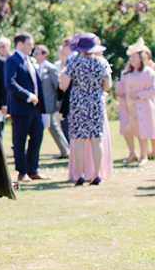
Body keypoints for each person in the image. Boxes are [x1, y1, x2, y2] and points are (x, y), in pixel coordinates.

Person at [60, 34, 113, 185]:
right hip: (96, 103)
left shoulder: (74, 62)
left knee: (79, 140)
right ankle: (96, 175)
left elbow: (64, 85)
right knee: (96, 140)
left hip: (78, 104)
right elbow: (108, 86)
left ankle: (79, 176)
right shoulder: (101, 62)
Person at [5, 31, 46, 182]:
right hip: (21, 107)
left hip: (35, 107)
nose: (32, 47)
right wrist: (28, 96)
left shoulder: (30, 61)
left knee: (37, 136)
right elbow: (10, 83)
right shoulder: (12, 61)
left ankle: (32, 169)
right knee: (20, 140)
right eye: (29, 44)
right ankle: (22, 172)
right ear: (20, 44)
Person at [115, 38, 155, 166]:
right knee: (127, 129)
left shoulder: (148, 72)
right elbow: (121, 88)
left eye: (134, 57)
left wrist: (139, 95)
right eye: (130, 57)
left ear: (141, 58)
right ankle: (133, 153)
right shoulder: (126, 73)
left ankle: (144, 155)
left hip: (142, 106)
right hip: (127, 106)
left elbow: (153, 90)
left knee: (142, 130)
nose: (132, 60)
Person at [33, 44, 69, 159]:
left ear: (45, 55)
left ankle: (66, 150)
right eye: (35, 53)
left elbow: (58, 88)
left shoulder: (51, 69)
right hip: (37, 104)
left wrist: (58, 104)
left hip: (49, 104)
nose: (35, 55)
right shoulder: (34, 67)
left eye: (38, 53)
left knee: (53, 127)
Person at [57, 36, 73, 141]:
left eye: (64, 46)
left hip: (72, 101)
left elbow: (64, 85)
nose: (63, 48)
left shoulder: (72, 59)